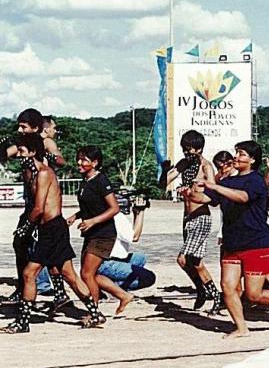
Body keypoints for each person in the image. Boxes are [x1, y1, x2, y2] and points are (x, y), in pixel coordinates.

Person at [184, 140, 269, 338]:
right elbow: (204, 199)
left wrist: (214, 186)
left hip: (256, 244)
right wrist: (191, 190)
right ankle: (241, 328)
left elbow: (243, 197)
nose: (236, 157)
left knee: (253, 295)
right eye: (236, 152)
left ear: (253, 160)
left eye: (242, 154)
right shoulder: (227, 182)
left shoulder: (255, 181)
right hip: (232, 243)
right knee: (228, 286)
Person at [1, 134, 104, 333]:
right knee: (69, 274)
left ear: (32, 152)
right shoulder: (33, 173)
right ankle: (95, 313)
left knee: (29, 274)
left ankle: (23, 322)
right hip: (52, 229)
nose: (19, 155)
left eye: (22, 151)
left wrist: (25, 229)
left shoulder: (44, 173)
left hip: (51, 230)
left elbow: (39, 208)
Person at [1, 108, 69, 310]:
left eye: (24, 126)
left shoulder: (45, 142)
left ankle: (58, 292)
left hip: (43, 206)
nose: (20, 130)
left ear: (36, 127)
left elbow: (61, 160)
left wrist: (46, 154)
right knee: (21, 244)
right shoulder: (22, 143)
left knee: (47, 250)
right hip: (30, 205)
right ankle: (25, 288)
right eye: (19, 125)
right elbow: (5, 154)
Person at [66, 146, 134, 316]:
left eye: (84, 160)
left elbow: (114, 208)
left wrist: (92, 221)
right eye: (79, 159)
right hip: (91, 233)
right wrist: (76, 216)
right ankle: (123, 295)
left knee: (86, 273)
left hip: (103, 234)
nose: (79, 163)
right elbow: (94, 206)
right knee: (91, 274)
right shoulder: (85, 180)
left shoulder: (101, 181)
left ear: (95, 163)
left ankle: (94, 311)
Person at [161, 130, 221, 311]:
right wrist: (164, 170)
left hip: (201, 217)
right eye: (184, 149)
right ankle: (213, 295)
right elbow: (163, 183)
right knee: (196, 262)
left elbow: (214, 195)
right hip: (187, 218)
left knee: (183, 259)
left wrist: (193, 192)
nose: (187, 153)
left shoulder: (206, 167)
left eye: (190, 150)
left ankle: (203, 290)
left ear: (199, 148)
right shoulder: (184, 164)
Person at [98, 205, 156, 292]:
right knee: (149, 278)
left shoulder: (102, 214)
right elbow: (134, 237)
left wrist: (136, 213)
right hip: (106, 264)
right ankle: (112, 287)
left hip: (101, 261)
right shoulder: (117, 217)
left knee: (140, 258)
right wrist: (141, 212)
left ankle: (110, 282)